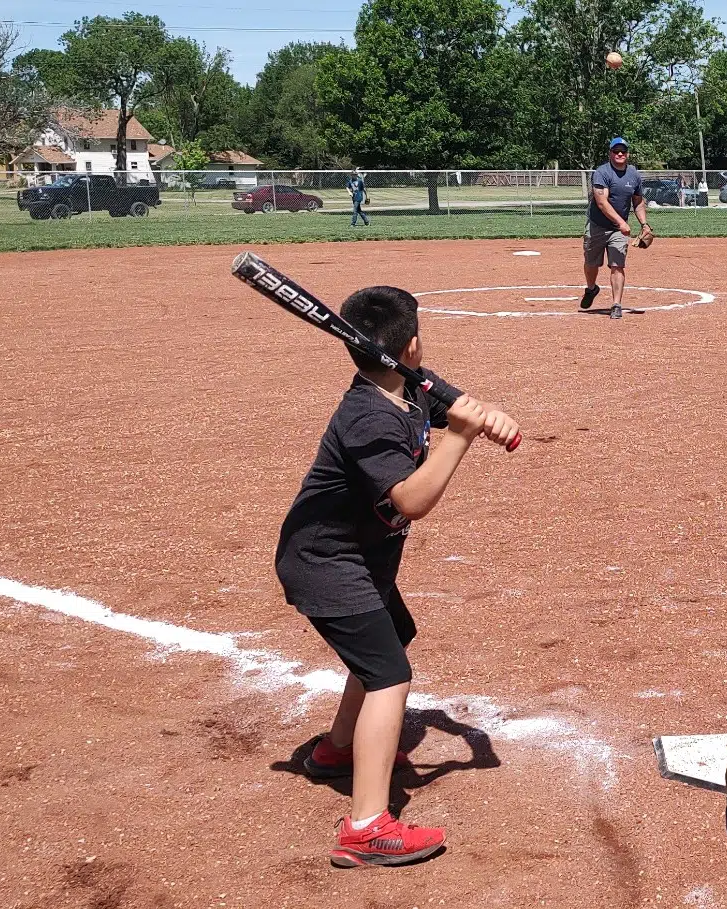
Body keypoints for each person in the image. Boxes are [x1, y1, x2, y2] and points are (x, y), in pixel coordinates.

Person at [274, 286, 520, 867]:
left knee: (393, 638)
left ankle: (338, 750)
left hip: (359, 557)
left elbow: (455, 402)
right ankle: (364, 828)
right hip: (326, 564)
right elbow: (410, 499)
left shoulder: (408, 384)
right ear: (410, 344)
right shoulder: (366, 417)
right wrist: (461, 437)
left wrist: (487, 417)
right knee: (389, 674)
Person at [580, 137, 649, 319]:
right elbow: (601, 202)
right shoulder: (602, 172)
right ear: (610, 153)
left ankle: (616, 304)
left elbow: (638, 202)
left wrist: (644, 224)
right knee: (591, 263)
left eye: (623, 151)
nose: (620, 154)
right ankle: (591, 289)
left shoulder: (633, 175)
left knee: (617, 265)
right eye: (616, 151)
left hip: (618, 231)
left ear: (627, 154)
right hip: (597, 225)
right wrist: (621, 222)